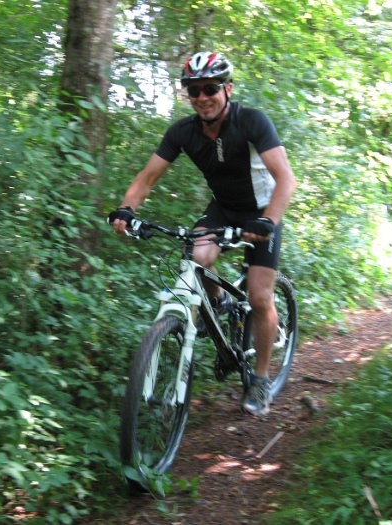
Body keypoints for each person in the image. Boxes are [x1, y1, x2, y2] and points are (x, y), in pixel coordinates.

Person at [108, 51, 297, 416]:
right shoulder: (184, 132)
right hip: (224, 208)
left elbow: (286, 179)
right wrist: (127, 209)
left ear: (227, 89)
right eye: (193, 91)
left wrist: (269, 221)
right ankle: (221, 301)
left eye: (210, 88)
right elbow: (147, 178)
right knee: (196, 257)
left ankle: (260, 379)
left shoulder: (251, 122)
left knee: (260, 296)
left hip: (262, 212)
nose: (201, 97)